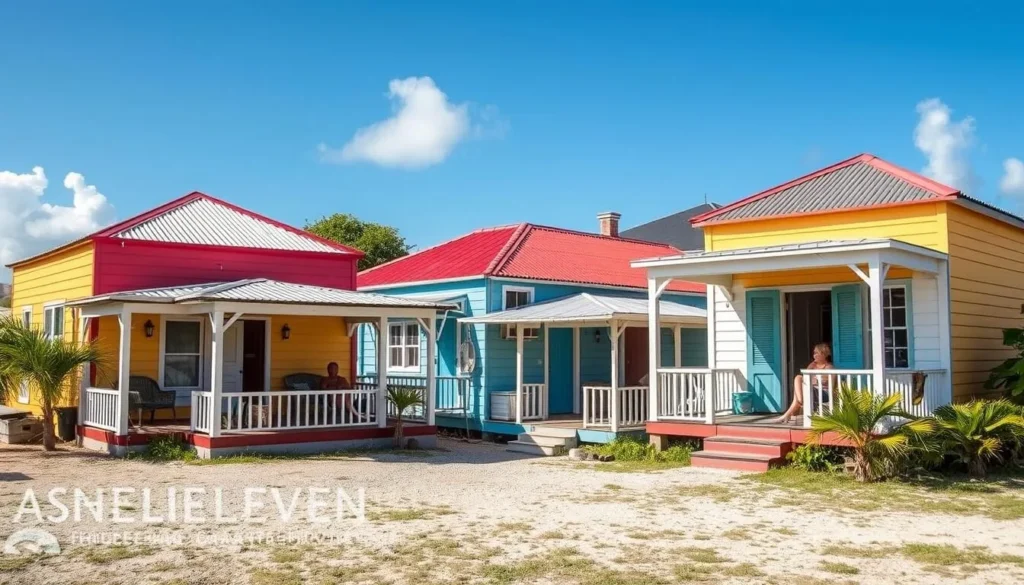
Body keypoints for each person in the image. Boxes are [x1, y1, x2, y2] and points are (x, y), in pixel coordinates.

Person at [772, 343, 833, 424]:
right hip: (812, 390)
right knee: (798, 378)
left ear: (823, 354)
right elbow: (805, 379)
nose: (814, 355)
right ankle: (797, 404)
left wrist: (816, 381)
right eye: (814, 353)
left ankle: (790, 411)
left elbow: (832, 385)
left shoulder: (829, 367)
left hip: (823, 393)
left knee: (798, 381)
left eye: (816, 353)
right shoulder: (812, 365)